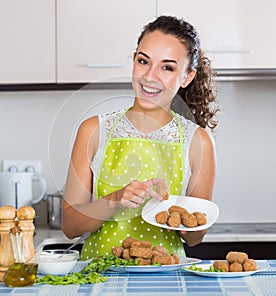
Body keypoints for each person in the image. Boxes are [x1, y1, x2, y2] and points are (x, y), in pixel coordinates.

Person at [62, 15, 219, 260]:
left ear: (187, 77)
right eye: (143, 61)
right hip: (99, 279)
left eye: (167, 67)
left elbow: (196, 237)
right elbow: (70, 226)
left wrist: (168, 206)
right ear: (134, 60)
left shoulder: (198, 141)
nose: (149, 76)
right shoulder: (93, 130)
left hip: (164, 279)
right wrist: (114, 201)